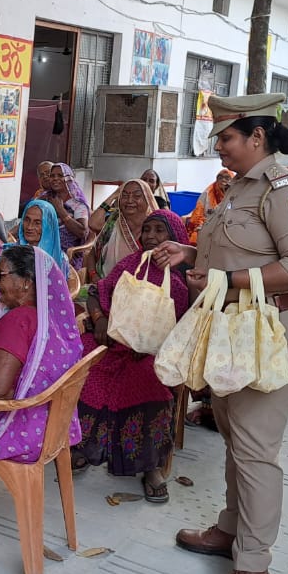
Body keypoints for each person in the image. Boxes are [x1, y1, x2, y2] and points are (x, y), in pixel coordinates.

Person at [152, 92, 288, 574]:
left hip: (273, 328)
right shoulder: (239, 187)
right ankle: (230, 529)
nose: (218, 146)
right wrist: (189, 252)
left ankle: (254, 569)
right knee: (233, 432)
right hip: (234, 327)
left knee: (255, 449)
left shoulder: (283, 190)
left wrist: (229, 280)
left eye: (226, 137)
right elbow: (233, 250)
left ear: (257, 136)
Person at [0, 245, 84, 520]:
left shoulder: (18, 321)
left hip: (19, 429)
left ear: (25, 282)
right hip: (51, 425)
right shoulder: (53, 319)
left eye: (2, 275)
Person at [76, 210, 191, 503]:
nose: (151, 236)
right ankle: (83, 445)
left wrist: (150, 345)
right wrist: (99, 319)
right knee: (82, 365)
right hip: (114, 343)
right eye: (147, 230)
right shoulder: (130, 264)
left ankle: (151, 466)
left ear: (175, 238)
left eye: (160, 231)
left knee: (150, 382)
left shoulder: (182, 279)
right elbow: (96, 292)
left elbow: (184, 328)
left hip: (153, 352)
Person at [0, 199, 65, 357]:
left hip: (34, 318)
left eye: (37, 223)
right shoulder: (5, 252)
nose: (29, 227)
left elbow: (56, 301)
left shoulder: (56, 260)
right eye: (27, 220)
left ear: (48, 225)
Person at [87, 179, 154, 280]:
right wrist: (93, 275)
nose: (129, 200)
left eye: (137, 196)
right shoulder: (114, 221)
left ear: (148, 199)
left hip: (142, 287)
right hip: (104, 283)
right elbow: (93, 225)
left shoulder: (155, 227)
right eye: (124, 195)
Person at [44, 162, 92, 269]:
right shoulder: (45, 198)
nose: (55, 178)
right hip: (42, 246)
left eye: (60, 175)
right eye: (52, 176)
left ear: (69, 179)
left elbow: (82, 232)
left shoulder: (77, 204)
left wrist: (60, 210)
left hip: (65, 254)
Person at [187, 169, 236, 244]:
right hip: (206, 225)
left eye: (227, 178)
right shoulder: (207, 193)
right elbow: (198, 216)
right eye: (220, 178)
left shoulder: (235, 193)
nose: (223, 180)